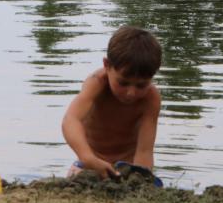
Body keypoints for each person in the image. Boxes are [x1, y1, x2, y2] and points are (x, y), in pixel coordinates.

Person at [61, 26, 162, 179]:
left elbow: (144, 151)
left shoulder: (151, 98)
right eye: (123, 83)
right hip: (90, 163)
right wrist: (88, 158)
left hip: (128, 168)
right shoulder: (96, 83)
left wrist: (140, 179)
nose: (131, 92)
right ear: (107, 65)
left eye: (141, 85)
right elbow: (71, 120)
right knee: (81, 180)